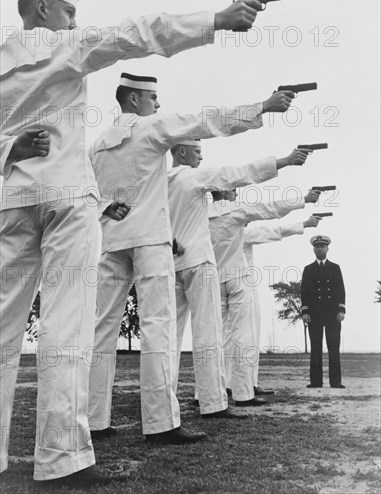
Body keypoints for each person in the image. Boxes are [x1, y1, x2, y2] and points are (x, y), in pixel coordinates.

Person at [0, 0, 264, 482]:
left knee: (7, 331)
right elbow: (140, 33)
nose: (75, 23)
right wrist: (216, 20)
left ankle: (57, 436)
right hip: (70, 204)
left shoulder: (12, 71)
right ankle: (61, 458)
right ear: (42, 10)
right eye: (69, 14)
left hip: (12, 200)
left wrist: (9, 150)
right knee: (67, 331)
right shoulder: (68, 47)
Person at [88, 73, 295, 440]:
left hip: (111, 239)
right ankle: (161, 423)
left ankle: (94, 420)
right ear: (134, 100)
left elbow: (88, 190)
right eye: (153, 98)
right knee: (159, 329)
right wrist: (262, 107)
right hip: (150, 241)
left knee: (102, 330)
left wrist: (106, 206)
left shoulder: (99, 144)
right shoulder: (151, 129)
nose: (158, 105)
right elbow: (208, 120)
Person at [168, 140, 310, 417]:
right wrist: (302, 201)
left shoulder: (200, 214)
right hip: (233, 276)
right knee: (240, 335)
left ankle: (203, 394)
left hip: (206, 276)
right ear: (228, 193)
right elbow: (269, 209)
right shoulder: (234, 212)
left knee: (213, 338)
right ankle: (243, 392)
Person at [208, 190, 321, 406]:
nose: (236, 195)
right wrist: (303, 224)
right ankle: (241, 388)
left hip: (217, 281)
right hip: (240, 283)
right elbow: (271, 229)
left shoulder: (205, 218)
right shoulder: (236, 226)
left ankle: (227, 386)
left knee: (222, 336)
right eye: (232, 191)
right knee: (244, 336)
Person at [301, 235, 346, 388]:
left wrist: (341, 310)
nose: (320, 249)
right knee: (316, 348)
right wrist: (305, 311)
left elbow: (341, 289)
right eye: (317, 246)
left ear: (327, 248)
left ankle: (336, 381)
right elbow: (304, 292)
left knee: (333, 347)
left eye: (322, 246)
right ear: (313, 249)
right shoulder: (308, 269)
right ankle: (315, 381)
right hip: (314, 315)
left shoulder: (335, 268)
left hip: (333, 314)